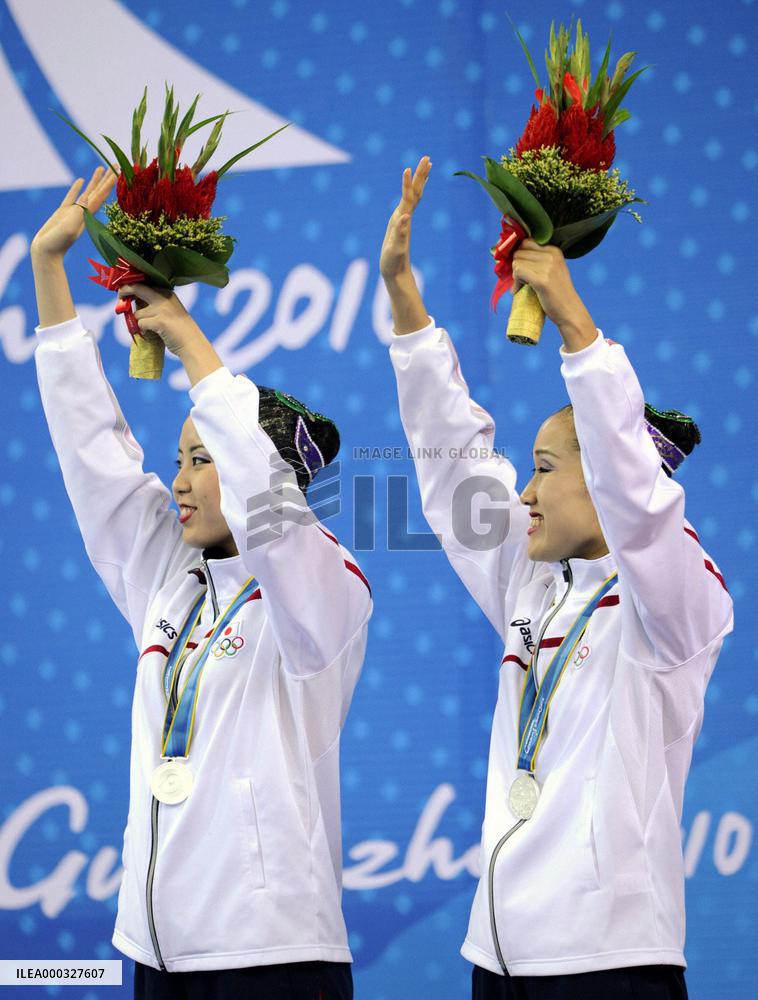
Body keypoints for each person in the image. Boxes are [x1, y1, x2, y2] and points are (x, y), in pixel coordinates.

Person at [379, 158, 733, 1000]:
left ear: (609, 480)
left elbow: (643, 505)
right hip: (500, 959)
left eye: (542, 470)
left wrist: (576, 324)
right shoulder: (532, 582)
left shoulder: (678, 605)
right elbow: (453, 463)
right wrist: (404, 301)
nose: (524, 493)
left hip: (609, 965)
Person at [31, 167, 372, 1000]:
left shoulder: (325, 589)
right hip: (156, 949)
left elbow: (274, 520)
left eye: (202, 460)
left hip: (272, 957)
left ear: (268, 476)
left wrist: (190, 343)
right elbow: (95, 460)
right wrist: (48, 276)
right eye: (180, 459)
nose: (179, 483)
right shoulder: (167, 575)